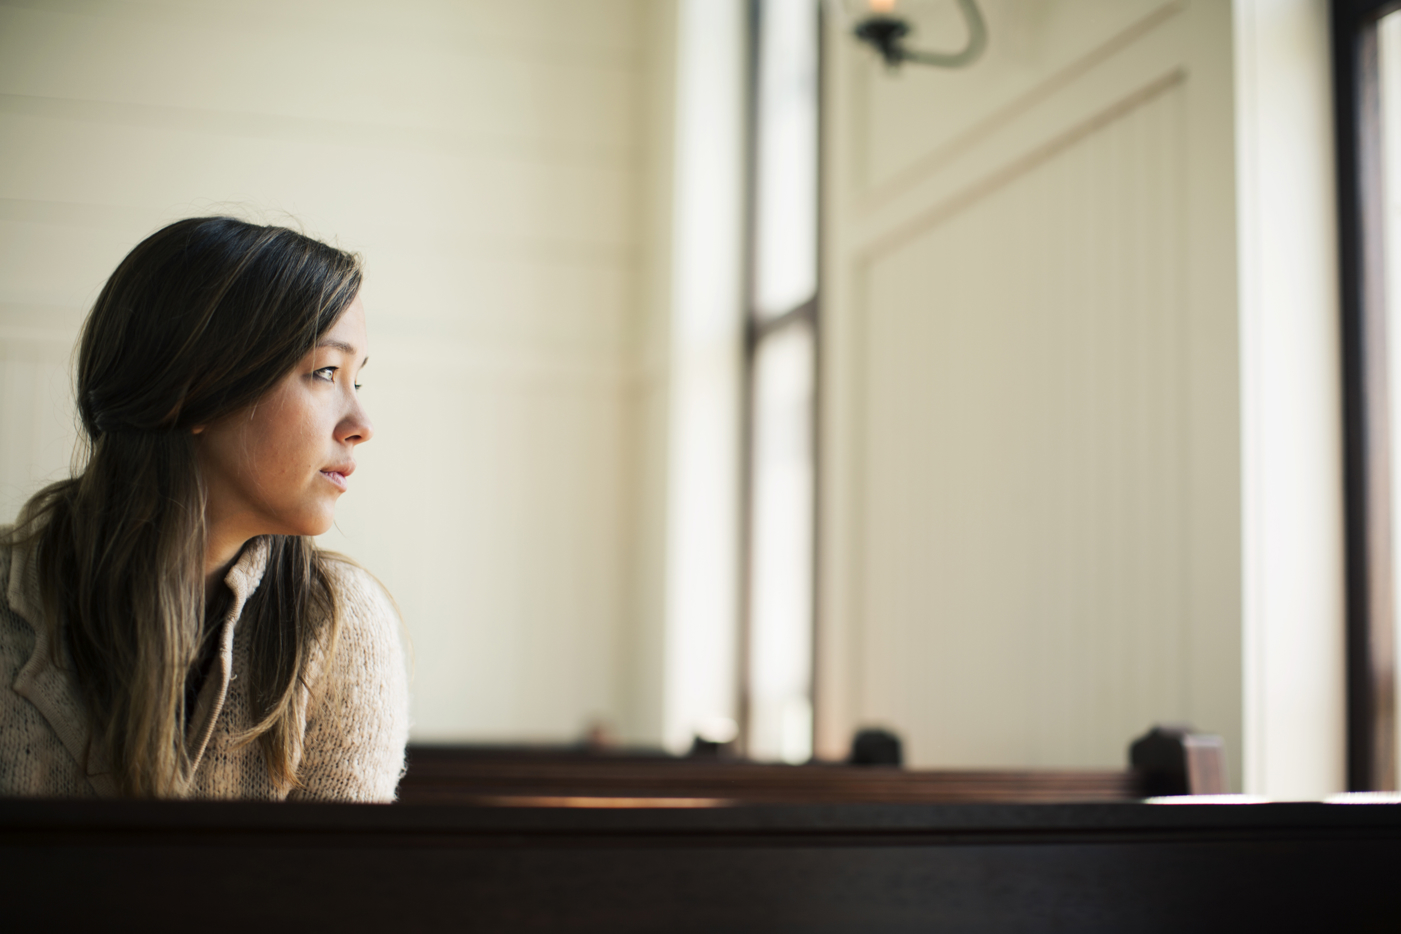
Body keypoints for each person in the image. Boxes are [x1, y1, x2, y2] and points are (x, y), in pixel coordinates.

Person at [0, 217, 409, 799]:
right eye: (324, 372)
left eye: (356, 382)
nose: (362, 426)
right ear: (195, 390)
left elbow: (336, 889)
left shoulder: (342, 627)